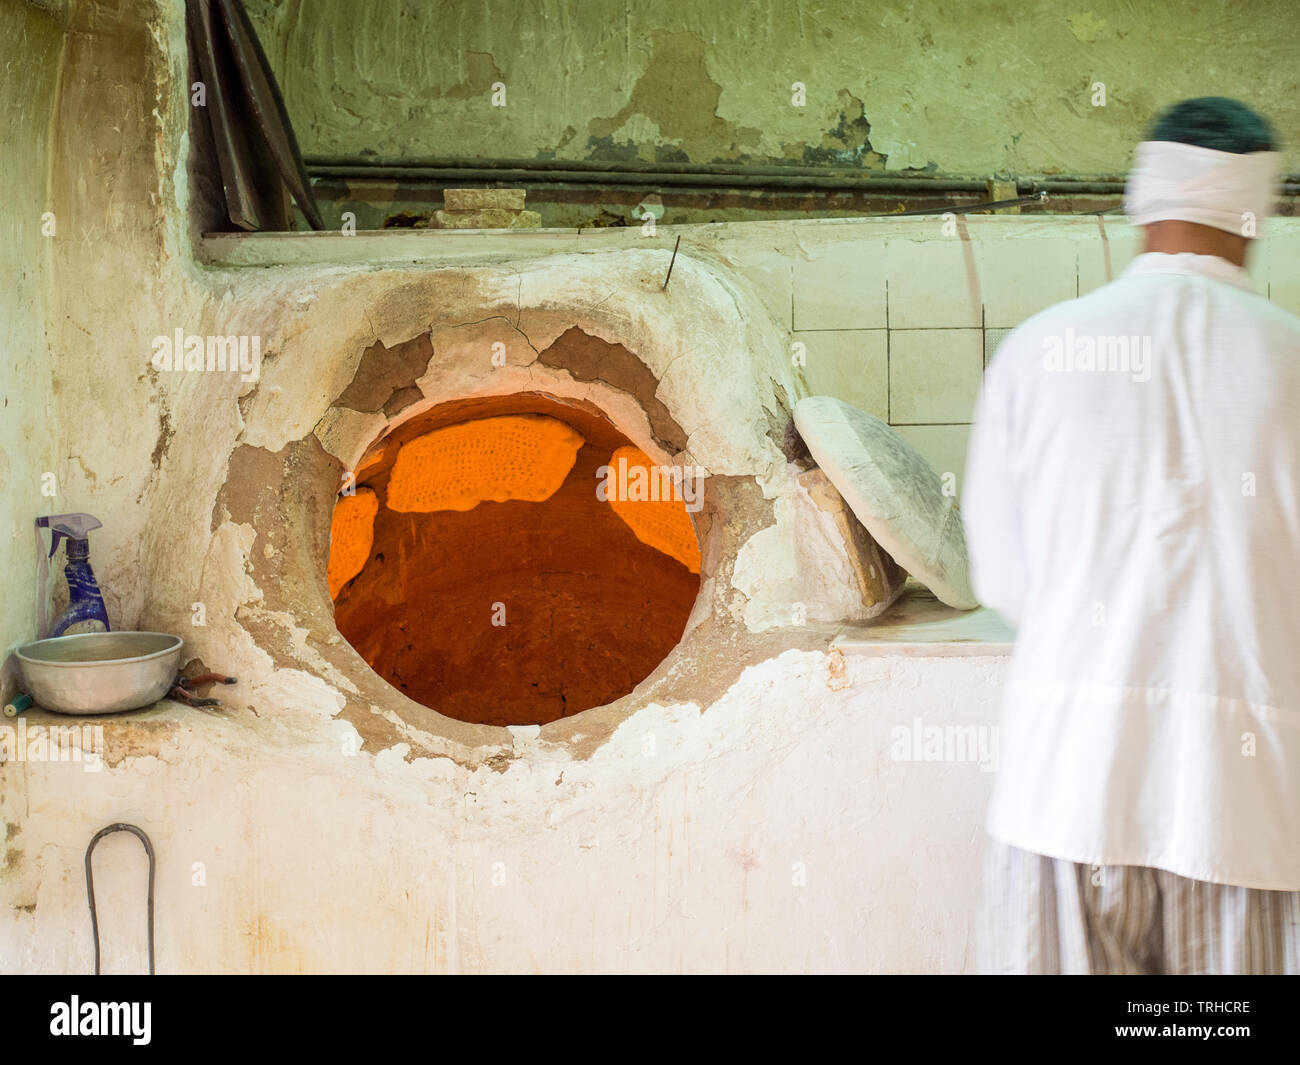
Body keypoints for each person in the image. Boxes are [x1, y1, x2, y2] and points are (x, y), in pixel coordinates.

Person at [963, 97, 1300, 974]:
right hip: (1248, 819)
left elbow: (1002, 579)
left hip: (1069, 796)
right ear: (1258, 213)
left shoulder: (1039, 352)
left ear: (1144, 200)